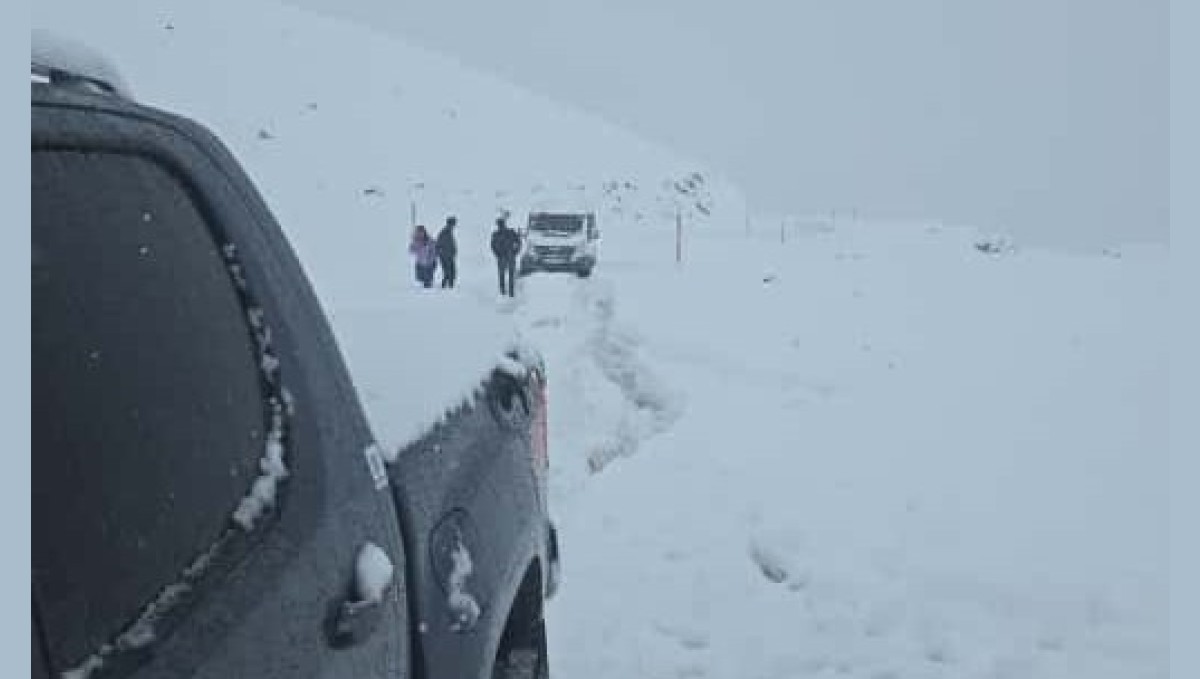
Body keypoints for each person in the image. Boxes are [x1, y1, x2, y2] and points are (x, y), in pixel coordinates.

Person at [490, 215, 521, 297]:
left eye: (501, 224)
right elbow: (493, 246)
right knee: (503, 276)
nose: (501, 226)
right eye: (500, 225)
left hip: (509, 256)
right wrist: (498, 254)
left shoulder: (510, 232)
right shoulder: (496, 234)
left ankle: (509, 292)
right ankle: (504, 292)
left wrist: (515, 252)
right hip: (504, 257)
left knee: (508, 275)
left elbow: (518, 243)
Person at [436, 216, 458, 288]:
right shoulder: (445, 232)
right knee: (449, 272)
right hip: (445, 256)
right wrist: (442, 253)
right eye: (453, 223)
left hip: (449, 255)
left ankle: (448, 285)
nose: (454, 225)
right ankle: (446, 286)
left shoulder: (448, 231)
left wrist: (453, 251)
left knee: (451, 271)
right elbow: (439, 244)